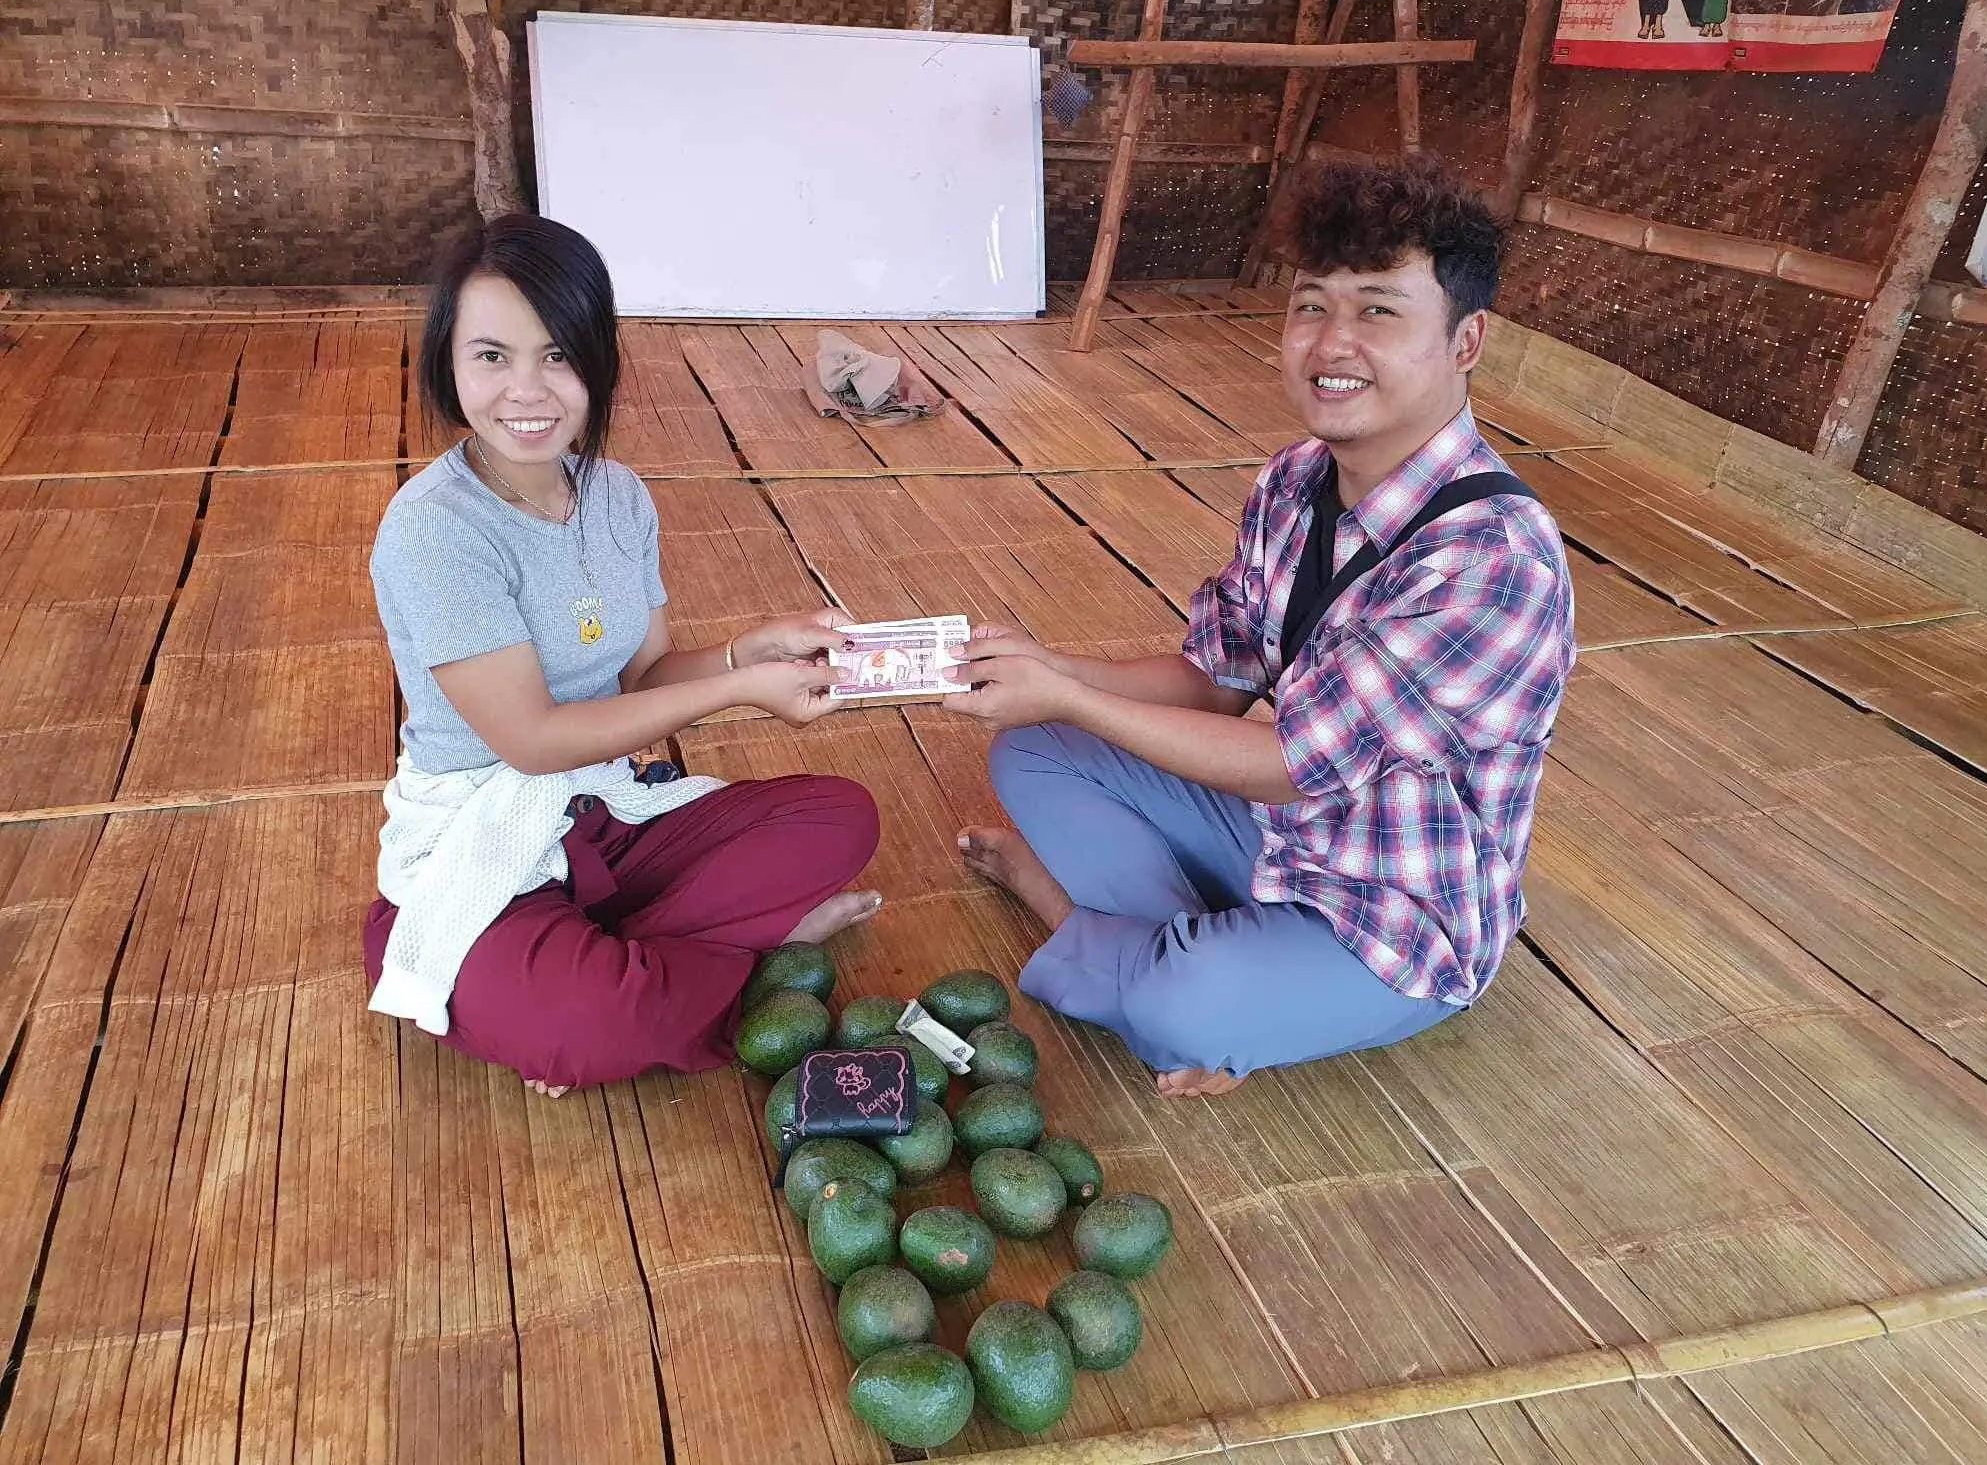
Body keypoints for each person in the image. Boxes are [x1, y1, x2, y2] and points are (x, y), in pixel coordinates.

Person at [945, 157, 1575, 1099]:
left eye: (1380, 311)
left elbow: (1287, 758)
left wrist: (1074, 692)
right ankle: (1203, 975)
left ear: (1467, 339)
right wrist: (1048, 670)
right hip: (1279, 833)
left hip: (1396, 910)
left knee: (1187, 1007)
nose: (1332, 342)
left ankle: (1083, 920)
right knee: (1032, 748)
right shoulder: (1294, 480)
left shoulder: (1492, 557)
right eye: (1311, 305)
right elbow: (1214, 680)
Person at [363, 213, 880, 1098]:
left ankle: (622, 970)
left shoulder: (616, 497)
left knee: (841, 816)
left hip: (601, 812)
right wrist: (743, 691)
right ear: (449, 363)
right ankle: (696, 965)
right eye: (493, 356)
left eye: (558, 355)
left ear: (598, 361)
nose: (529, 391)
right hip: (485, 835)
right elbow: (531, 741)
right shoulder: (433, 530)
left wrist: (740, 654)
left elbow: (642, 679)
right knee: (588, 1023)